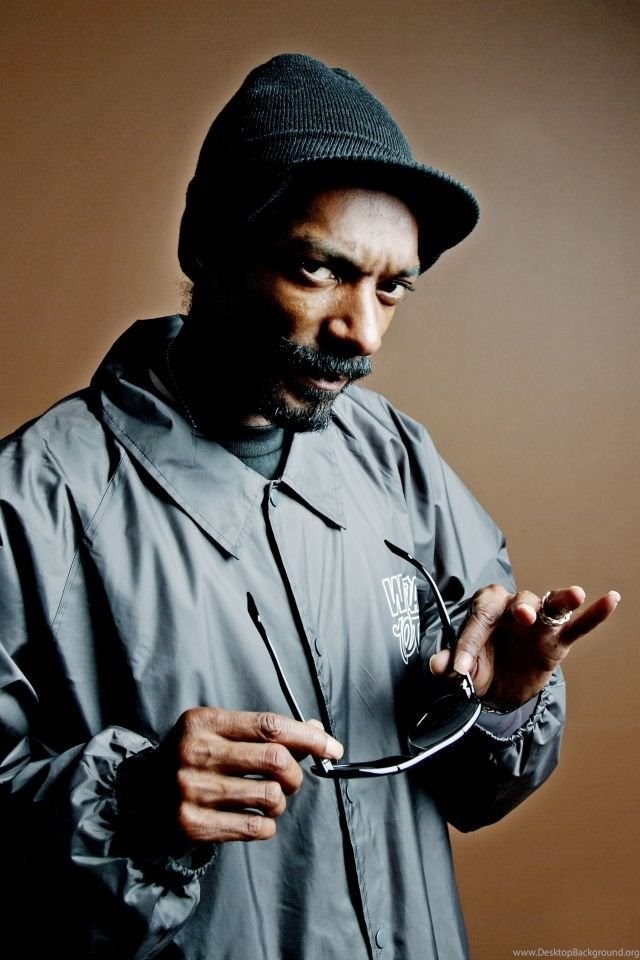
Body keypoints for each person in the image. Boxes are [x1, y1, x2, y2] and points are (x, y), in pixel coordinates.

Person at [0, 52, 619, 960]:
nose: (362, 333)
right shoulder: (30, 505)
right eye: (318, 269)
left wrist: (500, 703)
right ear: (205, 247)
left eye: (391, 286)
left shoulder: (398, 460)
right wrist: (130, 803)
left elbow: (475, 789)